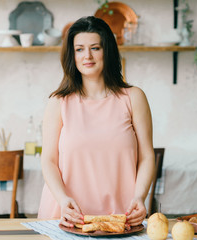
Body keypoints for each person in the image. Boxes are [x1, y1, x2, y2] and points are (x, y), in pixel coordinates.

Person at [37, 16, 155, 228]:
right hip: (67, 216)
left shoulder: (134, 97)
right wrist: (63, 200)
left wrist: (140, 196)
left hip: (122, 217)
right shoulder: (58, 102)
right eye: (79, 49)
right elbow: (49, 161)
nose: (87, 56)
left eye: (95, 48)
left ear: (107, 51)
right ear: (71, 55)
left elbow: (146, 156)